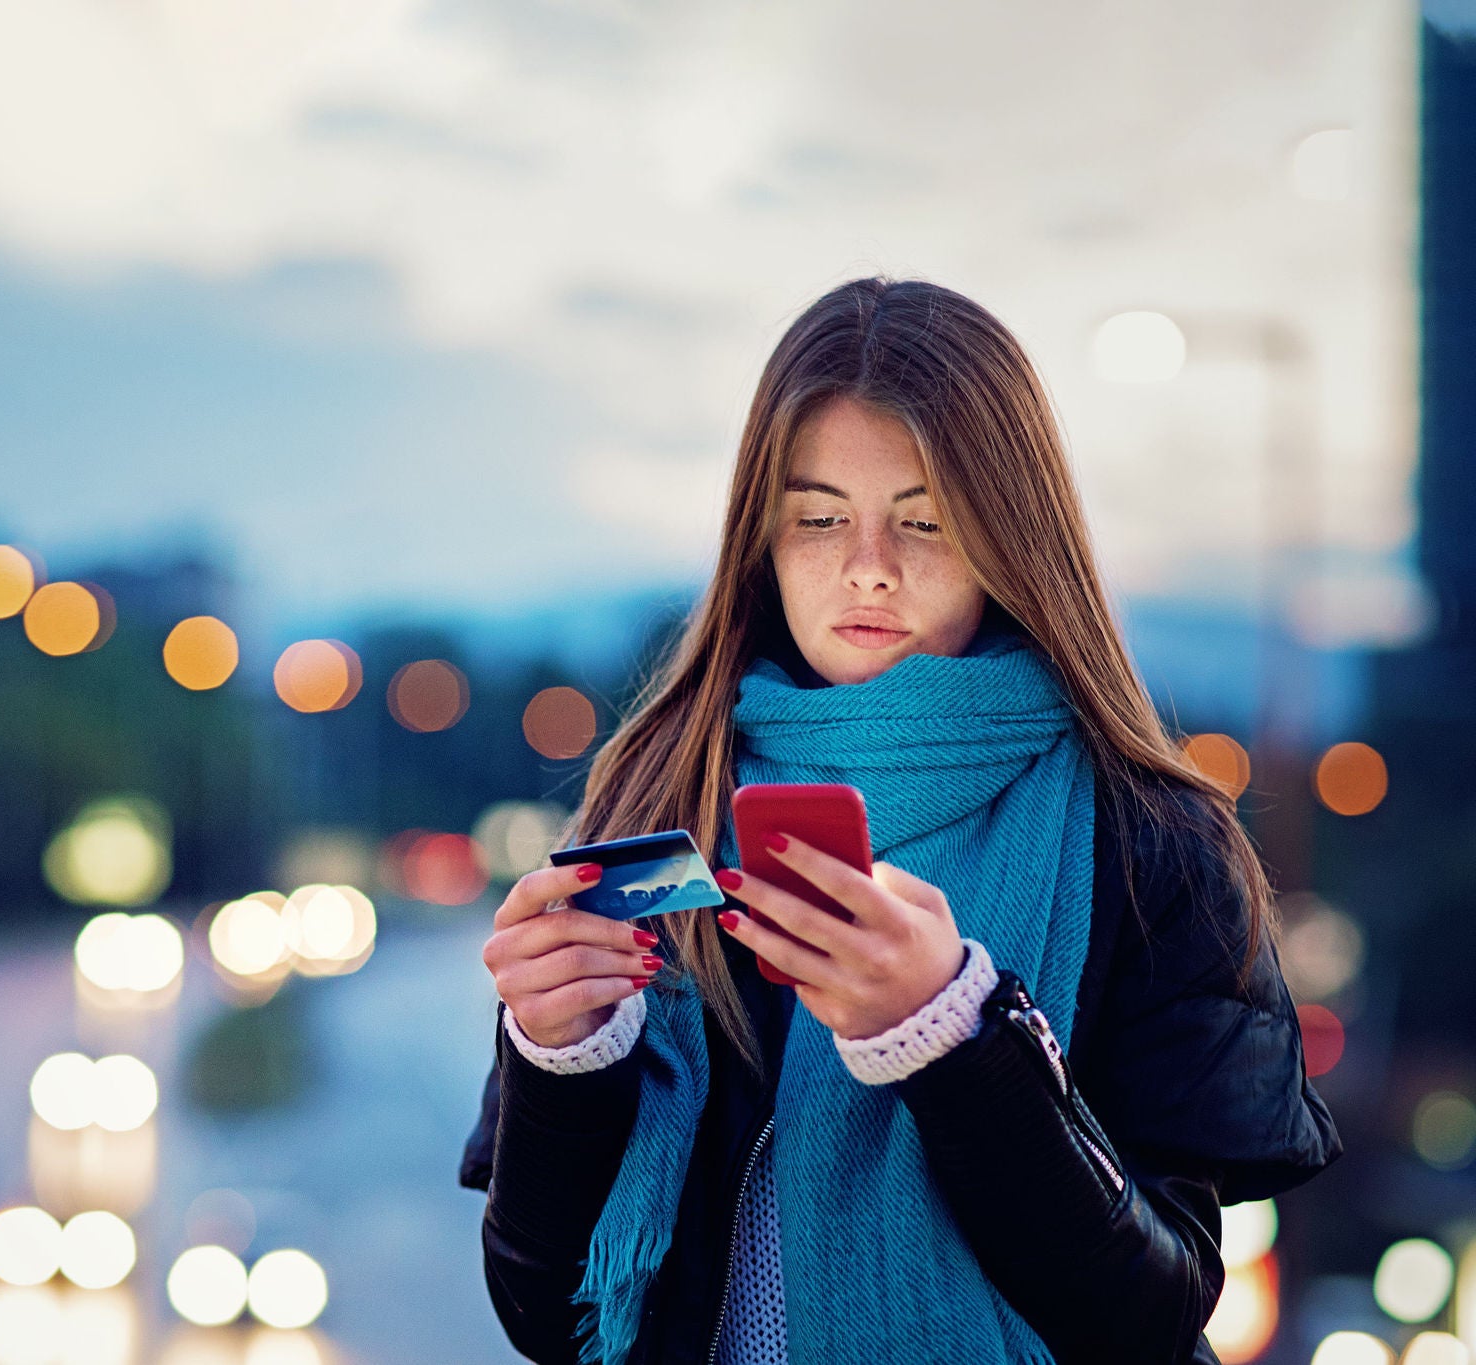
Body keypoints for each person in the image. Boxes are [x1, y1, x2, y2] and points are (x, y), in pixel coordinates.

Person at [456, 276, 1341, 1364]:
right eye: (817, 517)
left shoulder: (1147, 841)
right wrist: (558, 1058)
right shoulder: (655, 798)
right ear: (760, 542)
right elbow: (549, 1319)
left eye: (923, 521)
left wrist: (950, 1035)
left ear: (1008, 539)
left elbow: (1149, 1320)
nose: (866, 565)